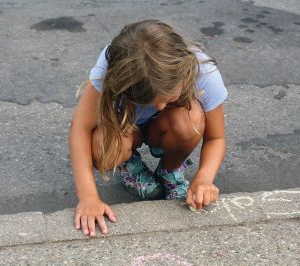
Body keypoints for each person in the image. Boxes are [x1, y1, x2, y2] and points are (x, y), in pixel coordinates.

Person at [69, 19, 228, 237]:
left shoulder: (203, 71)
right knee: (101, 146)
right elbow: (80, 129)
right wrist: (88, 197)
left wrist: (204, 178)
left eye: (169, 98)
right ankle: (129, 164)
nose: (161, 107)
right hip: (125, 127)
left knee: (189, 120)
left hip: (165, 129)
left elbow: (216, 138)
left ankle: (170, 169)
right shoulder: (114, 64)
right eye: (150, 101)